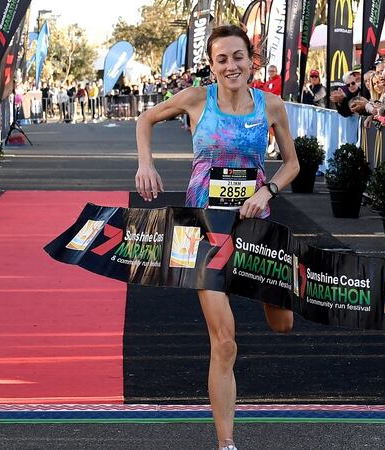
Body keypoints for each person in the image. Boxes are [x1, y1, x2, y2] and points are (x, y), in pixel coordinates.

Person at [134, 25, 298, 450]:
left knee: (282, 324)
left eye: (238, 57)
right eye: (222, 59)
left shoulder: (272, 106)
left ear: (251, 60)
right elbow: (145, 118)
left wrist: (268, 189)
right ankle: (226, 444)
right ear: (212, 64)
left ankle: (265, 291)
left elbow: (292, 165)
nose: (231, 66)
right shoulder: (195, 100)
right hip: (205, 229)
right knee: (224, 342)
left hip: (256, 225)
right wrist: (146, 165)